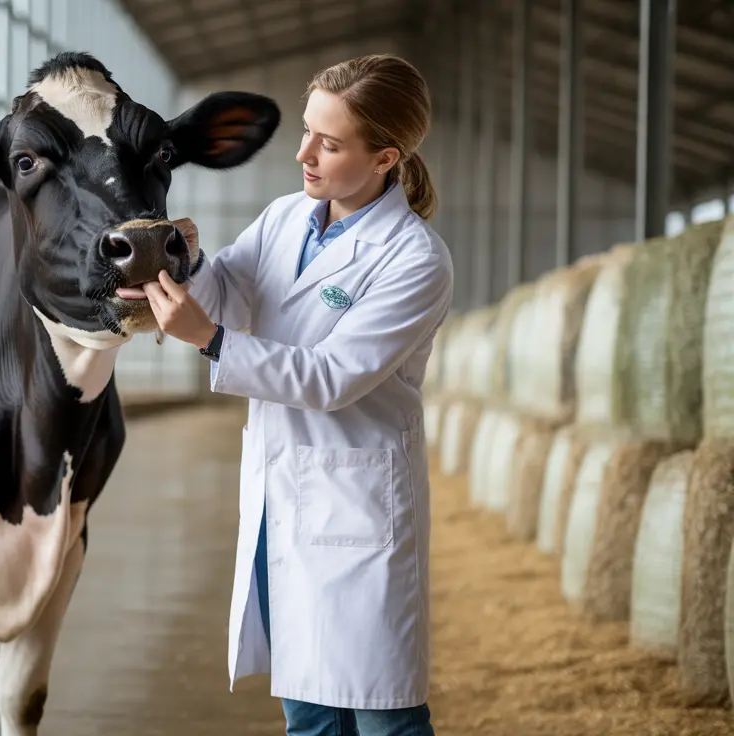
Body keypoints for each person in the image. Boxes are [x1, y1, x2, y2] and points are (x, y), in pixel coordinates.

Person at [143, 54, 453, 736]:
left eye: (329, 143)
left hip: (358, 510)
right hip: (283, 499)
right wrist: (186, 261)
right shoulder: (287, 216)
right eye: (308, 131)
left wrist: (214, 341)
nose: (303, 153)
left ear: (385, 158)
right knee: (309, 714)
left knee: (384, 721)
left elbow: (332, 377)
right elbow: (231, 286)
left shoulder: (414, 258)